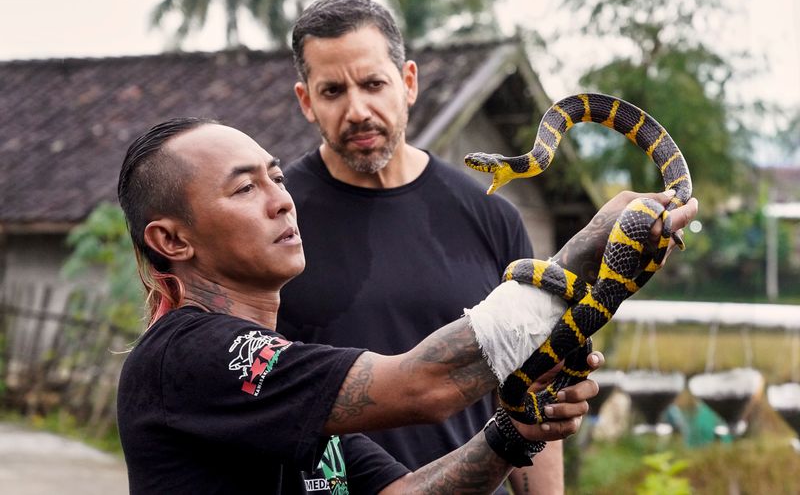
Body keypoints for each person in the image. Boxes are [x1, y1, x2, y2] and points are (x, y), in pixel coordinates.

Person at [114, 118, 696, 494]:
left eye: (276, 178)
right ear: (172, 241)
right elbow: (421, 385)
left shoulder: (286, 376)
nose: (283, 203)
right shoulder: (187, 355)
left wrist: (513, 432)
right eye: (246, 189)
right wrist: (580, 255)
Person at [278, 0, 696, 492]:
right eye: (332, 91)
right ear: (306, 100)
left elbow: (536, 380)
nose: (357, 110)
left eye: (373, 83)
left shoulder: (492, 216)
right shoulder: (278, 220)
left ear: (408, 82)